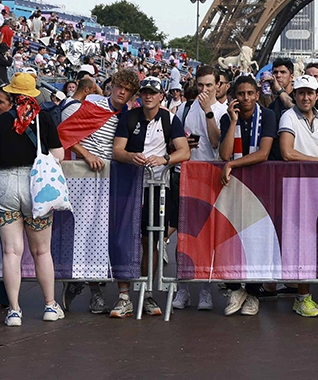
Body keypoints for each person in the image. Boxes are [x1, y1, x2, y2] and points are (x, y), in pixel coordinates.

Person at [0, 75, 66, 325]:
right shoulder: (44, 118)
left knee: (11, 251)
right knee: (42, 251)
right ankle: (50, 306)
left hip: (5, 185)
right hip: (36, 185)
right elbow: (59, 155)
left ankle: (14, 311)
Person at [109, 76, 190, 318]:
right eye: (145, 92)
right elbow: (117, 150)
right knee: (123, 238)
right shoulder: (129, 117)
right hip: (130, 184)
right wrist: (130, 157)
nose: (148, 96)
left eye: (153, 92)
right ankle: (124, 296)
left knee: (151, 240)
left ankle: (148, 291)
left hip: (157, 186)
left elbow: (184, 151)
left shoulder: (170, 119)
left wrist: (164, 160)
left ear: (161, 96)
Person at [61, 68, 140, 315]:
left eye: (127, 90)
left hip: (113, 181)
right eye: (119, 87)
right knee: (87, 236)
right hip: (85, 180)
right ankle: (90, 289)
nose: (122, 92)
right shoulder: (93, 106)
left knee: (106, 237)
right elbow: (64, 133)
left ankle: (84, 284)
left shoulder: (128, 116)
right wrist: (86, 155)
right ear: (112, 86)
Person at [216, 75, 277, 317]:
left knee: (257, 237)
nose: (246, 98)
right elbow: (224, 154)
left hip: (260, 187)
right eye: (241, 94)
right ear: (234, 97)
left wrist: (232, 165)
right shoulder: (226, 118)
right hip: (235, 188)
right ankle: (235, 289)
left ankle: (252, 292)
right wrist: (232, 122)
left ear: (257, 94)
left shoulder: (269, 116)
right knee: (231, 236)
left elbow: (263, 153)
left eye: (250, 93)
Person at [173, 65, 225, 312]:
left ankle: (205, 288)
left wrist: (208, 112)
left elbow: (216, 141)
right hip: (189, 174)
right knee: (184, 235)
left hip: (212, 176)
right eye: (201, 85)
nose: (204, 90)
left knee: (208, 236)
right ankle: (183, 287)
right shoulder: (184, 108)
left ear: (217, 85)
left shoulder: (222, 111)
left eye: (209, 85)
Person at [278, 74, 318, 317]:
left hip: (316, 183)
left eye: (310, 92)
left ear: (317, 95)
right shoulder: (288, 116)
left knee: (312, 240)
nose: (306, 97)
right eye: (301, 93)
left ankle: (306, 294)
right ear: (295, 95)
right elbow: (287, 153)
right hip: (298, 185)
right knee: (303, 241)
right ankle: (301, 297)